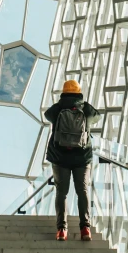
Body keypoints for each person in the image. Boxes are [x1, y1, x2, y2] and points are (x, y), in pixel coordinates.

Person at [45, 79, 100, 242]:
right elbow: (97, 117)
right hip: (82, 158)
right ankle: (85, 228)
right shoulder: (86, 109)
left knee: (61, 193)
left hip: (60, 157)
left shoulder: (57, 109)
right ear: (78, 92)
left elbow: (47, 114)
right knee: (82, 191)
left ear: (64, 92)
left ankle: (62, 230)